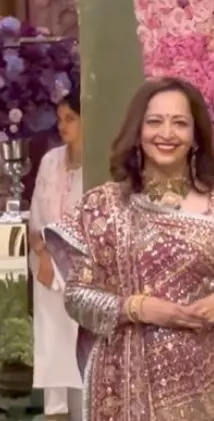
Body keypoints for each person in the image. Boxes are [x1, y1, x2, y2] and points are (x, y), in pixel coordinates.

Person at [42, 77, 214, 420]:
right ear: (138, 131)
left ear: (196, 136)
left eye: (180, 123)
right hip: (132, 391)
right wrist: (139, 308)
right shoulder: (103, 206)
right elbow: (77, 297)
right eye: (154, 121)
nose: (167, 133)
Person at [29, 89, 84, 421]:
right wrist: (44, 255)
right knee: (51, 338)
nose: (62, 125)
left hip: (84, 269)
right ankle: (55, 413)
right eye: (60, 118)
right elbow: (37, 216)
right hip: (47, 265)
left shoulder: (100, 163)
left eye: (70, 119)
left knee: (81, 341)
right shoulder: (50, 161)